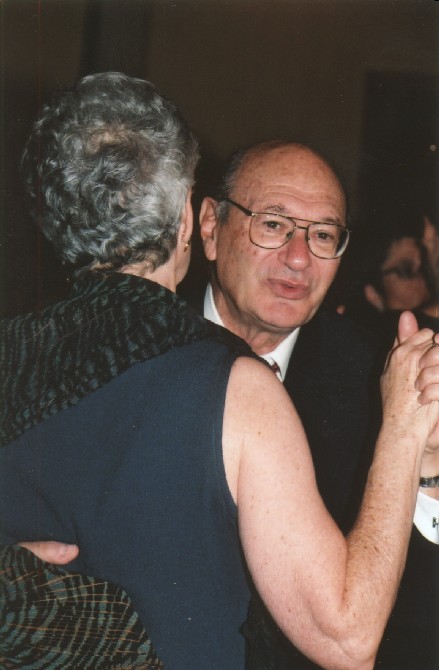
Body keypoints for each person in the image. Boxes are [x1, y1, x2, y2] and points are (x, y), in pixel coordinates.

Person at [2, 73, 439, 670]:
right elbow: (346, 634)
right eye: (273, 224)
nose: (298, 257)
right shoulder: (216, 375)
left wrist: (427, 475)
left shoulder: (381, 372)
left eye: (323, 235)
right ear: (200, 224)